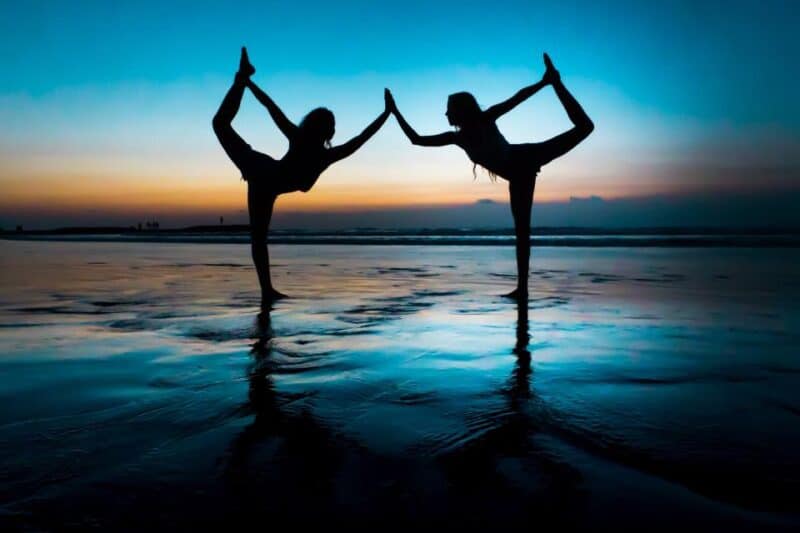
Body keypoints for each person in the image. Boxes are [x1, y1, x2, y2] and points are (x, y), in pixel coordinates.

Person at [387, 53, 593, 299]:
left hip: (524, 158)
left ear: (460, 111)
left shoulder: (485, 119)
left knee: (585, 127)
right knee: (522, 232)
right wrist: (394, 111)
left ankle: (556, 82)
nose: (445, 114)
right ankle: (522, 289)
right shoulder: (458, 138)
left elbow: (517, 99)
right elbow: (416, 140)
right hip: (519, 174)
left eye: (448, 109)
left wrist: (544, 83)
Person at [213, 47, 391, 306]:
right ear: (327, 131)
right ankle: (241, 78)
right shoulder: (313, 149)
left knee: (221, 125)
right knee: (258, 238)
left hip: (264, 176)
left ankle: (241, 78)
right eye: (330, 126)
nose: (332, 130)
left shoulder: (313, 148)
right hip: (262, 173)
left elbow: (359, 140)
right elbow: (271, 107)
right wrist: (386, 114)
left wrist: (386, 114)